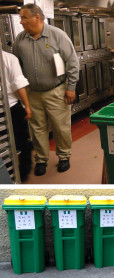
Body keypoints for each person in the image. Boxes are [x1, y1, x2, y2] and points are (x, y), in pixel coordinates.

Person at [13, 3, 79, 176]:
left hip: (56, 90)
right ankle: (41, 159)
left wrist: (71, 88)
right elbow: (17, 67)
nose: (21, 22)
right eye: (20, 18)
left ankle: (64, 156)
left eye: (24, 18)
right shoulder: (20, 40)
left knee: (60, 126)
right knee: (37, 128)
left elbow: (72, 62)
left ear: (37, 17)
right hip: (32, 93)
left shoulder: (57, 35)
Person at [1, 50, 32, 182]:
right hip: (12, 107)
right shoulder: (9, 58)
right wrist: (27, 106)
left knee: (3, 145)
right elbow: (18, 84)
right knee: (22, 140)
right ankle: (22, 173)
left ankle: (7, 174)